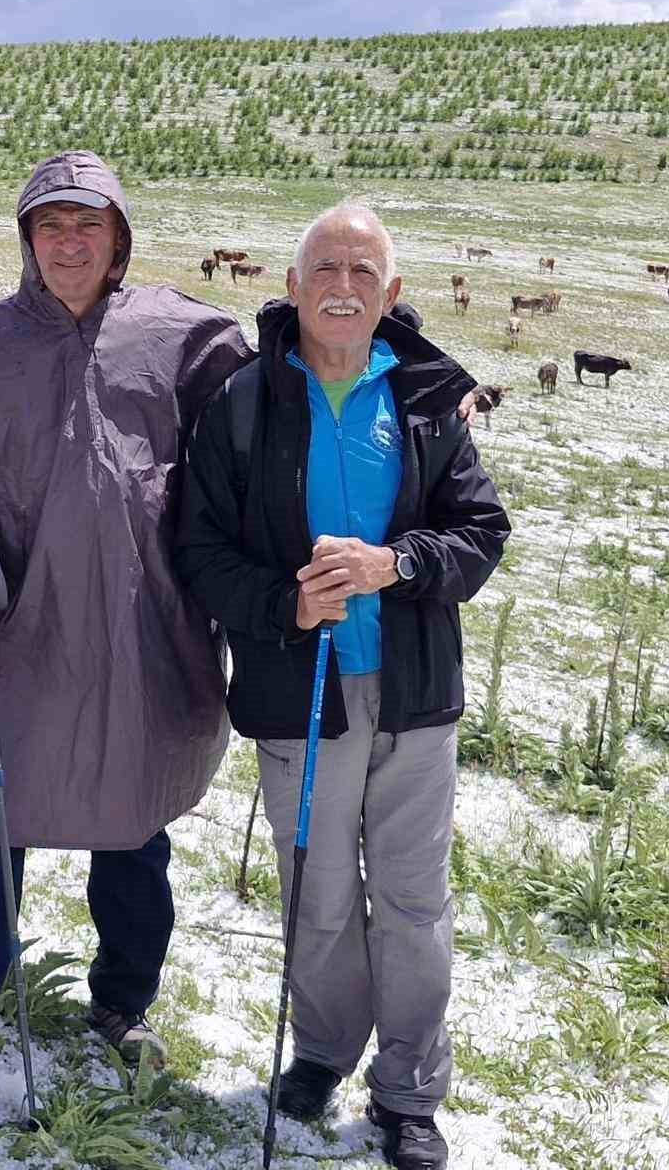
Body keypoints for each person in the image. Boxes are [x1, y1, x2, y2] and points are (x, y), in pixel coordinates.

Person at [0, 150, 252, 1126]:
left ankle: (121, 1005)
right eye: (47, 225)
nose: (67, 242)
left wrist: (426, 375)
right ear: (25, 239)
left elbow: (283, 401)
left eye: (85, 224)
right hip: (7, 631)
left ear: (118, 234)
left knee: (132, 826)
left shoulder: (183, 333)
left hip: (143, 629)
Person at [175, 203, 510, 1170]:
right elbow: (199, 550)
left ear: (392, 294)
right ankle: (323, 1050)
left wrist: (396, 566)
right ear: (291, 285)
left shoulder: (427, 400)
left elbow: (479, 532)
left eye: (366, 273)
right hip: (300, 692)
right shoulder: (243, 403)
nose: (344, 286)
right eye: (327, 265)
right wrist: (287, 603)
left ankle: (407, 1092)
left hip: (412, 694)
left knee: (410, 901)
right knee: (316, 893)